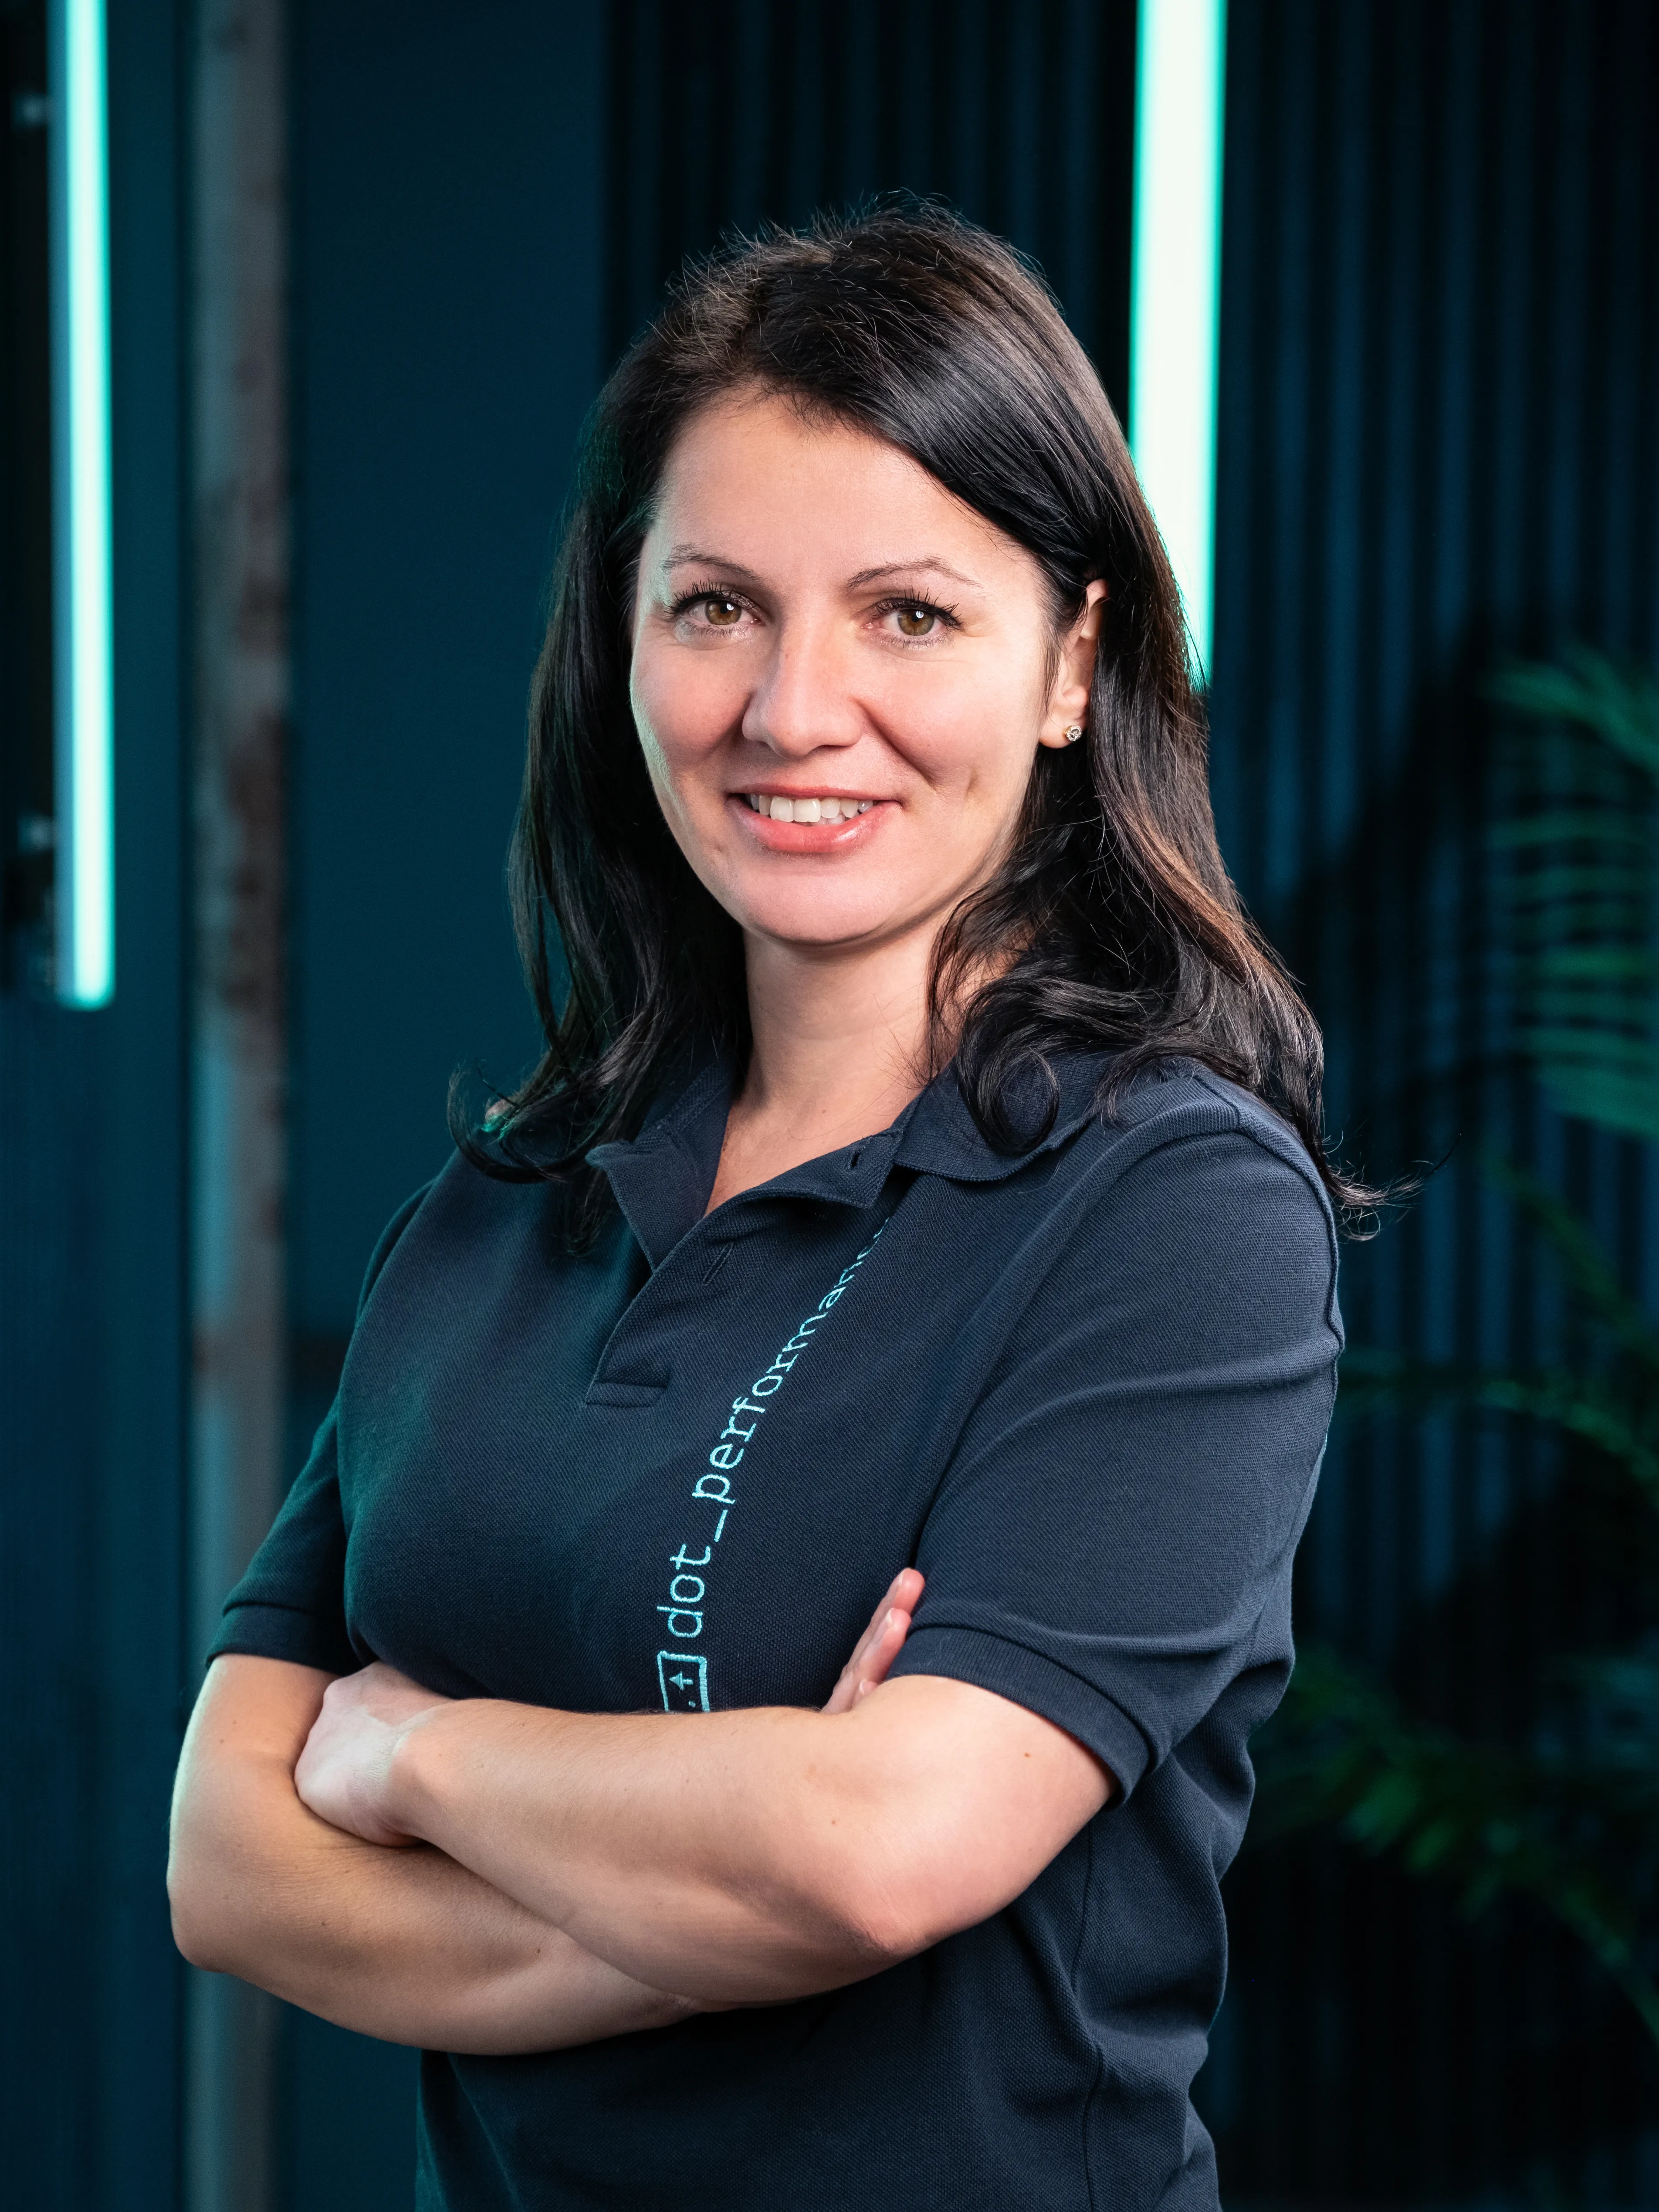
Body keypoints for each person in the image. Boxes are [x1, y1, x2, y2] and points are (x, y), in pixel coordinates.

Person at [168, 205, 1350, 2212]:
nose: (793, 710)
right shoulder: (506, 1196)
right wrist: (747, 1884)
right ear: (620, 638)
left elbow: (881, 1852)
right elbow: (225, 1867)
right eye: (715, 604)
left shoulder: (1172, 1212)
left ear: (1071, 662)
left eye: (909, 614)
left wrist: (410, 1762)